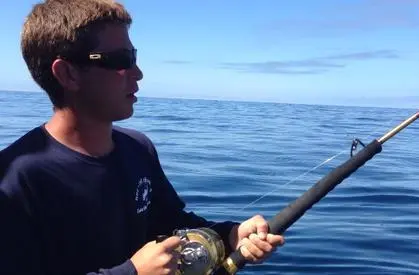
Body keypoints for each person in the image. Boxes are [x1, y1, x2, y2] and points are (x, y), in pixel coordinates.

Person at [0, 0, 285, 274]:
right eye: (121, 60)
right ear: (68, 73)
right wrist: (133, 272)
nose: (138, 73)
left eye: (133, 57)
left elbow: (171, 223)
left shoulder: (138, 148)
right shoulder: (15, 179)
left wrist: (230, 235)